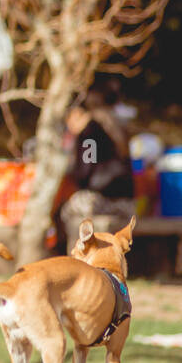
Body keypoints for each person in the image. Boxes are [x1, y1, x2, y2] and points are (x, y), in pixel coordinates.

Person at [57, 87, 137, 252]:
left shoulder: (89, 135)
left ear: (78, 114)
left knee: (63, 211)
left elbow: (86, 169)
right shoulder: (113, 127)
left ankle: (69, 254)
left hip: (102, 201)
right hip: (127, 202)